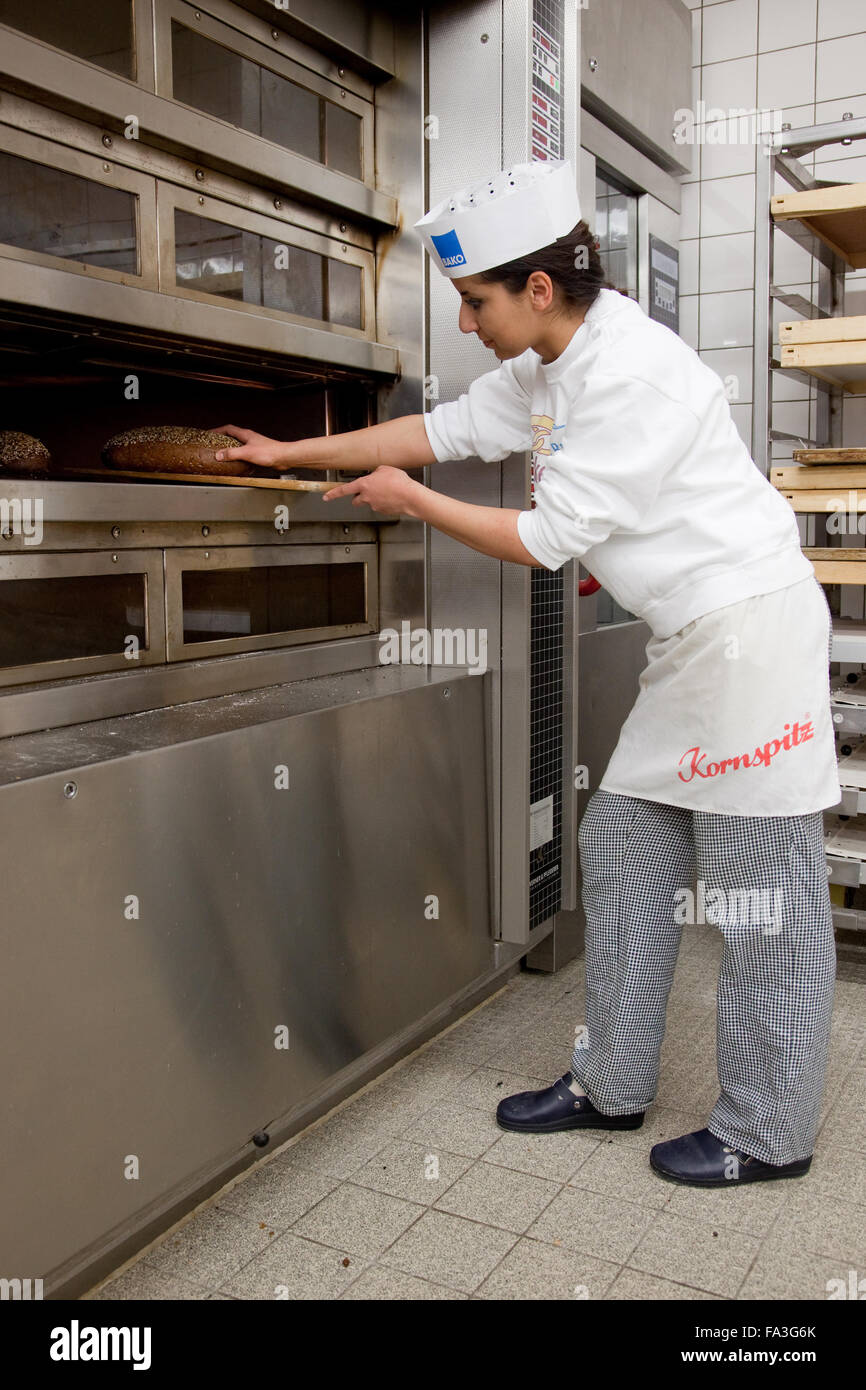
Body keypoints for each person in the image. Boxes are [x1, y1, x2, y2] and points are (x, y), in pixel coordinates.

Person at [215, 159, 841, 1188]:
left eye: (473, 303)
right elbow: (442, 431)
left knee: (759, 896)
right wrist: (291, 453)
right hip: (689, 644)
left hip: (751, 643)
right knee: (623, 841)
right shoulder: (554, 362)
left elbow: (545, 536)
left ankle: (765, 1131)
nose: (465, 324)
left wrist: (410, 503)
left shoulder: (628, 368)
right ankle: (610, 1085)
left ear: (536, 290)